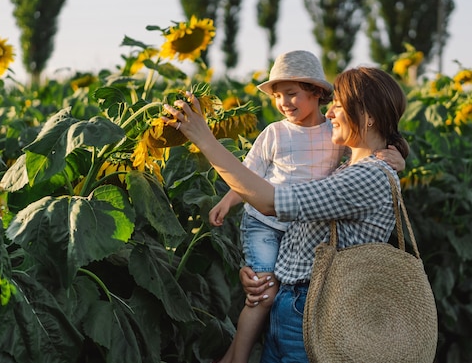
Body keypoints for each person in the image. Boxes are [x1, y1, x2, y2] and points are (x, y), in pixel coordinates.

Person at [163, 65, 409, 363]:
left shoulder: (367, 176)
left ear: (368, 118)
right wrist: (261, 274)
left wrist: (205, 140)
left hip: (314, 314)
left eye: (338, 106)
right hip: (290, 306)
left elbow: (270, 201)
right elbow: (304, 239)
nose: (329, 114)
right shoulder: (349, 168)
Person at [208, 50, 346, 363]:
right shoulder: (275, 132)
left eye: (292, 94)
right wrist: (227, 201)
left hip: (303, 229)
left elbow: (365, 150)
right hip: (264, 223)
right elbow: (249, 173)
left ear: (316, 93)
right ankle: (239, 357)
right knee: (264, 293)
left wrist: (397, 154)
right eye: (278, 96)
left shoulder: (334, 134)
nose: (284, 103)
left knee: (289, 293)